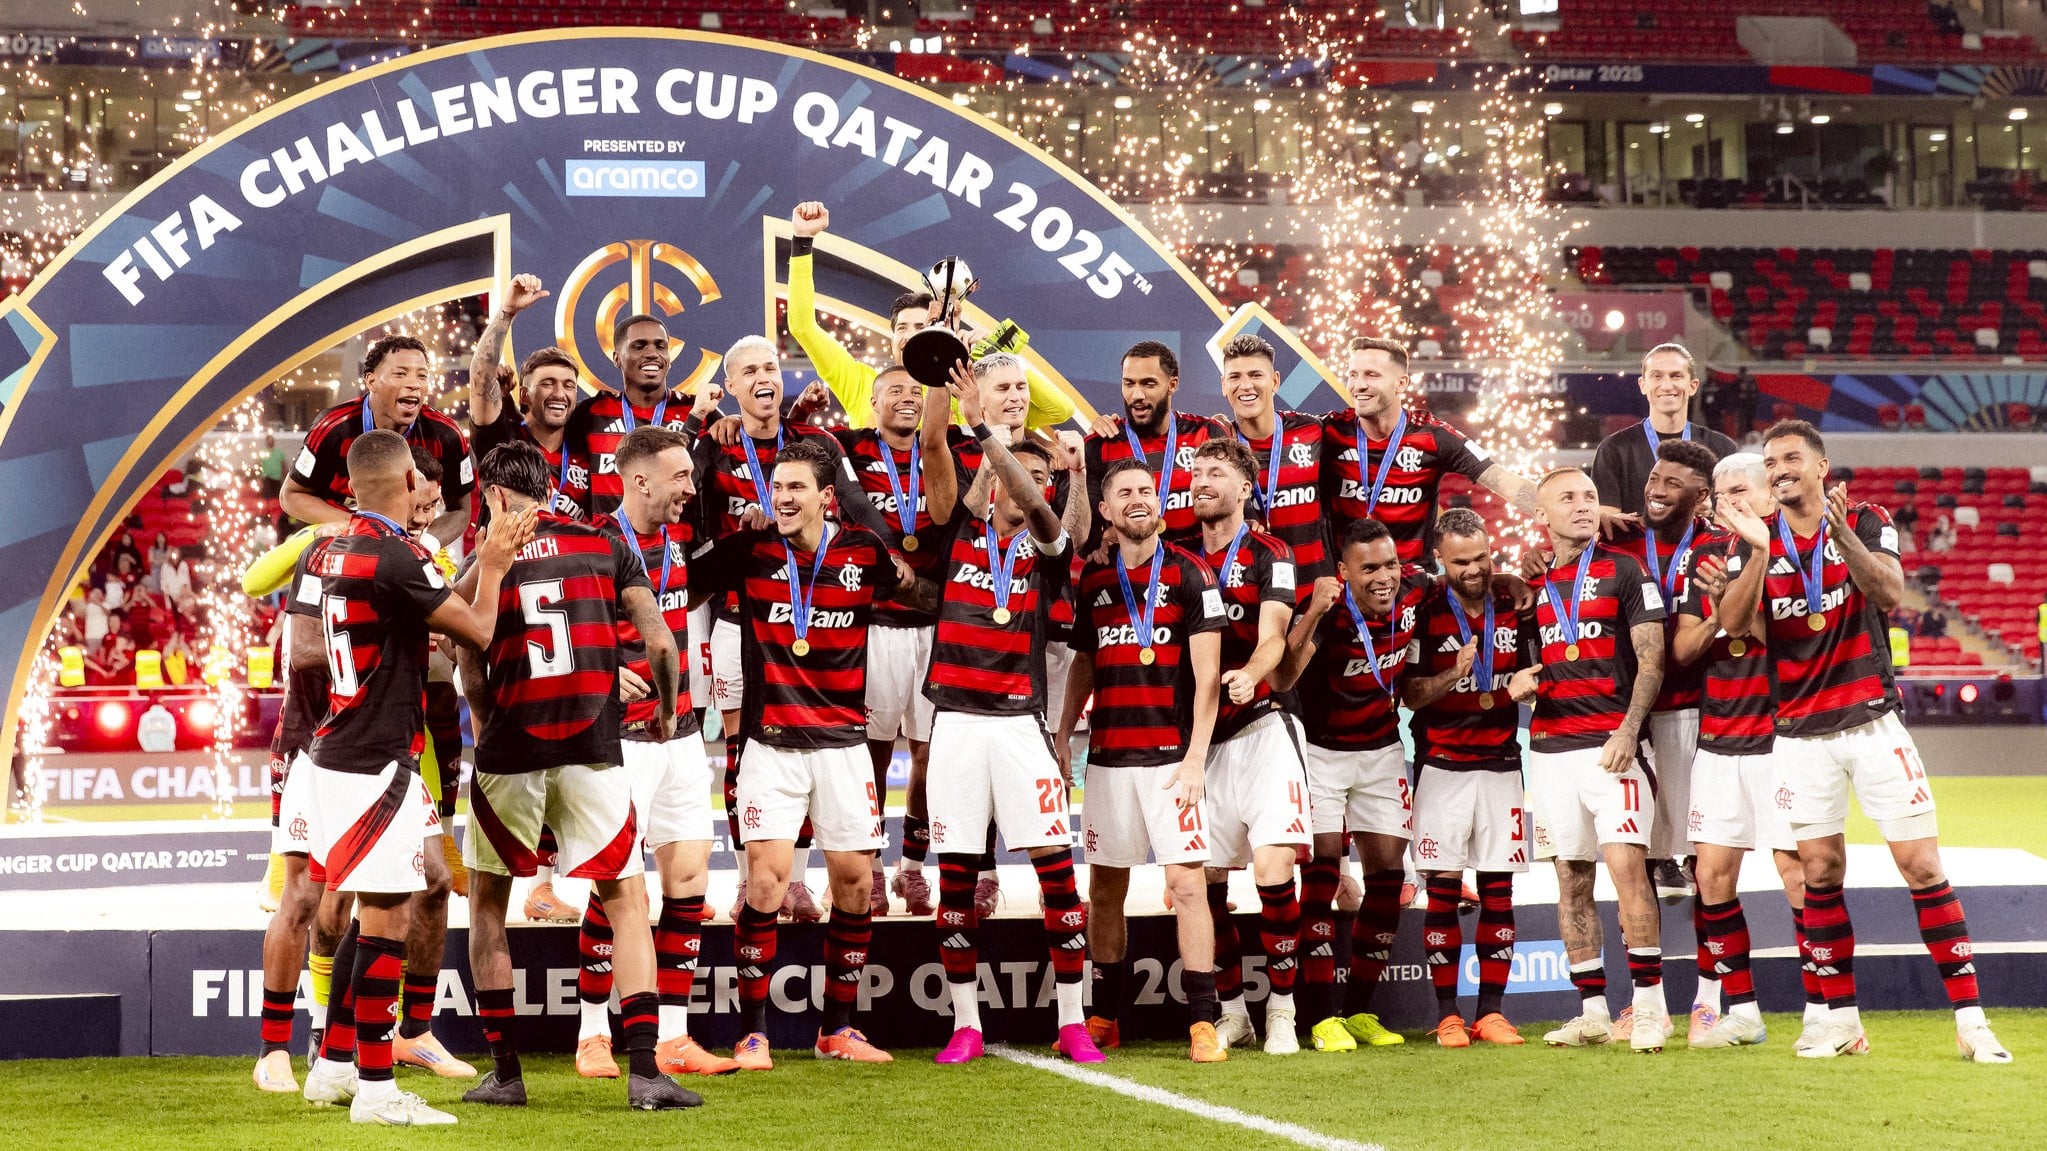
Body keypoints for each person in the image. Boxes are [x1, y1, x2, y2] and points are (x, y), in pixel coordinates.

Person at [1713, 421, 2010, 1062]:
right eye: (1770, 462)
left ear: (1822, 466)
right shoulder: (1753, 543)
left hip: (1873, 720)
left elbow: (1891, 593)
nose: (1779, 468)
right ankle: (1841, 1021)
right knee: (1819, 872)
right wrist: (1760, 551)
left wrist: (1841, 532)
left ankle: (1972, 1021)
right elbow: (1734, 627)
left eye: (1792, 458)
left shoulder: (1868, 519)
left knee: (1922, 866)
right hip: (1797, 732)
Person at [456, 441, 699, 1111]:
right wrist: (667, 708)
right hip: (595, 741)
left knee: (487, 904)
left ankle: (505, 1073)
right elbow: (657, 640)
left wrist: (484, 723)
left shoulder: (483, 560)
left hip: (510, 747)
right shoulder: (601, 543)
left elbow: (462, 648)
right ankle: (646, 1070)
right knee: (626, 900)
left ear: (497, 494)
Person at [296, 429, 529, 1126]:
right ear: (404, 481)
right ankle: (375, 1087)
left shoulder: (330, 546)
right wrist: (492, 564)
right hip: (376, 759)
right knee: (386, 920)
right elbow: (480, 630)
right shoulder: (396, 554)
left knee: (413, 888)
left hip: (344, 747)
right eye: (422, 483)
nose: (431, 491)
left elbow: (404, 611)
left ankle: (333, 1065)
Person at [689, 439, 904, 1067]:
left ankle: (838, 1028)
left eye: (795, 489)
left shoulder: (862, 552)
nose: (782, 499)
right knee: (764, 883)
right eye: (776, 488)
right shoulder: (751, 548)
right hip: (771, 744)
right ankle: (751, 1031)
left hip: (843, 744)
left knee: (855, 882)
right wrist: (728, 532)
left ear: (825, 497)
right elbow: (688, 574)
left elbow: (912, 588)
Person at [923, 369, 1097, 1065]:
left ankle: (1072, 1019)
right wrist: (970, 425)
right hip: (956, 726)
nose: (1027, 487)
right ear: (988, 483)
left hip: (1020, 723)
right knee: (957, 880)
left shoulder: (1046, 550)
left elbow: (1046, 505)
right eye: (1012, 475)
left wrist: (991, 435)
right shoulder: (957, 532)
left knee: (1058, 873)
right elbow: (940, 450)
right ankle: (964, 1022)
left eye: (1037, 480)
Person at [691, 335, 895, 923]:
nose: (764, 377)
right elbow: (693, 525)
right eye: (749, 369)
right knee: (745, 748)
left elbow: (858, 507)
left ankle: (800, 881)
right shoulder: (714, 447)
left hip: (810, 602)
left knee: (806, 748)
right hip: (738, 614)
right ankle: (747, 874)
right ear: (731, 385)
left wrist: (877, 553)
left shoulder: (819, 443)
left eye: (771, 367)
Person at [573, 425, 741, 1078]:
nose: (691, 487)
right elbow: (558, 627)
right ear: (638, 480)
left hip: (676, 736)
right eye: (680, 477)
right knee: (614, 889)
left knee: (689, 884)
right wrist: (605, 665)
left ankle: (672, 1032)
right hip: (616, 740)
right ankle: (592, 1032)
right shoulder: (595, 542)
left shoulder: (674, 540)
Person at [1058, 457, 1227, 1063]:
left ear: (1158, 503)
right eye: (1124, 491)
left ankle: (1202, 1022)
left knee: (1186, 885)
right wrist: (1061, 730)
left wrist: (1194, 760)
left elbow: (1207, 679)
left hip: (1168, 761)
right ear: (1104, 510)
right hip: (1105, 759)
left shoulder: (1191, 573)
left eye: (1146, 490)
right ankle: (1106, 1016)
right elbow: (1083, 660)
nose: (1137, 498)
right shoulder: (1096, 580)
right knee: (1105, 888)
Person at [1520, 467, 1673, 1054]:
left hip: (1613, 748)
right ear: (1542, 513)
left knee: (1626, 868)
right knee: (1571, 877)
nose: (1584, 506)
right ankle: (1590, 1012)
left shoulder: (1626, 571)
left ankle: (1652, 1009)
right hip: (1551, 750)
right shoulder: (1531, 585)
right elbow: (1526, 658)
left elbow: (1652, 661)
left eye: (1589, 496)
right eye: (1568, 498)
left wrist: (1629, 732)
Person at [1273, 518, 1435, 1053]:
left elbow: (1456, 582)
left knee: (1388, 880)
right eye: (1370, 569)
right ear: (1344, 572)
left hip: (1383, 749)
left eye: (1390, 564)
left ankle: (1361, 1011)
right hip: (1320, 753)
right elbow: (1285, 675)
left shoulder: (1414, 589)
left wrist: (1508, 581)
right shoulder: (1329, 614)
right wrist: (1315, 610)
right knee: (1320, 882)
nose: (1385, 577)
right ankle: (1320, 1018)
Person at [1670, 451, 1811, 1050]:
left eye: (1738, 492)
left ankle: (1826, 1008)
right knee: (1712, 877)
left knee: (1799, 876)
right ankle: (1744, 1011)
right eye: (1719, 494)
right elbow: (1683, 650)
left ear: (1768, 495)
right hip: (1719, 740)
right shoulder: (1702, 558)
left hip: (1780, 738)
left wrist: (1733, 601)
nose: (1725, 502)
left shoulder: (1796, 553)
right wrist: (1718, 618)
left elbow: (1763, 629)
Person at [1184, 438, 1308, 1055]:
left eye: (1216, 472)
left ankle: (1283, 1009)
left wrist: (1250, 675)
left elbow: (1275, 635)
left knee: (1272, 868)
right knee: (1206, 881)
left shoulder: (1271, 552)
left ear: (1246, 486)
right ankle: (1234, 1011)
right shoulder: (1175, 553)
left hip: (1262, 727)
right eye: (1196, 471)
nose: (1201, 480)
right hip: (1200, 740)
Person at [1400, 508, 1535, 1048]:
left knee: (1499, 890)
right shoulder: (1424, 608)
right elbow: (1409, 694)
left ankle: (1493, 1013)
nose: (1476, 569)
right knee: (1443, 890)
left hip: (1502, 762)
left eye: (1482, 557)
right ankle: (1448, 1014)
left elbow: (1533, 671)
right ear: (1440, 560)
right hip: (1442, 765)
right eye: (1462, 561)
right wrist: (1454, 675)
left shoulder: (1513, 602)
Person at [833, 365, 959, 916]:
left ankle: (913, 869)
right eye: (895, 393)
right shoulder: (849, 448)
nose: (907, 400)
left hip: (934, 626)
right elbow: (796, 445)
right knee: (875, 759)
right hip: (876, 626)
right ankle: (875, 871)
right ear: (873, 401)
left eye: (916, 393)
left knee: (931, 757)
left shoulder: (946, 450)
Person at [786, 201, 1076, 432]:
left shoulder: (965, 389)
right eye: (902, 327)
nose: (909, 334)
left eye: (919, 327)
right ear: (892, 338)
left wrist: (997, 361)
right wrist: (802, 240)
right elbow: (802, 326)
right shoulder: (860, 382)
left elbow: (1059, 411)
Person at [1602, 441, 1718, 901]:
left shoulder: (1721, 543)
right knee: (1636, 851)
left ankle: (1712, 964)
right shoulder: (1618, 536)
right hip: (1629, 712)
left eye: (1674, 483)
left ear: (1702, 494)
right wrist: (1533, 562)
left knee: (1705, 856)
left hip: (1694, 710)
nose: (1657, 489)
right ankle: (1647, 967)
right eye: (1654, 478)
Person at [1320, 337, 1535, 564]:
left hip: (1415, 586)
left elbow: (1502, 480)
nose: (1358, 385)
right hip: (1348, 585)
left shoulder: (1433, 436)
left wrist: (1563, 510)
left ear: (1401, 383)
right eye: (1353, 375)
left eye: (1371, 375)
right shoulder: (1330, 432)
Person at [281, 335, 474, 543]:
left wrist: (424, 546)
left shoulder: (447, 435)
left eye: (422, 376)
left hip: (414, 547)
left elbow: (460, 510)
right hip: (338, 541)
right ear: (371, 381)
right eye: (400, 374)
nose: (414, 384)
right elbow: (290, 496)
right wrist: (368, 529)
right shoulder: (333, 430)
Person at [469, 273, 593, 520]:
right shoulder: (504, 440)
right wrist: (506, 313)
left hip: (574, 558)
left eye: (569, 385)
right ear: (524, 395)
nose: (560, 393)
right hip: (512, 557)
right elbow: (481, 377)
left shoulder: (587, 448)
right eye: (548, 384)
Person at [1082, 341, 1228, 549]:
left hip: (1200, 573)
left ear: (1172, 385)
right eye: (1129, 384)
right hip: (1129, 576)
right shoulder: (1100, 444)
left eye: (1148, 384)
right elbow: (1091, 534)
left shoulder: (1207, 434)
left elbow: (1233, 509)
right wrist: (1099, 540)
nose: (1137, 395)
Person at [1217, 332, 1333, 583]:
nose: (1246, 385)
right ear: (1224, 385)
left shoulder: (1312, 430)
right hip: (1250, 596)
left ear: (1275, 381)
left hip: (1313, 592)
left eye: (1256, 375)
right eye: (1235, 377)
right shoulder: (1218, 447)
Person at [1589, 342, 1738, 527]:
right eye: (1656, 376)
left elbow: (1734, 522)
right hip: (1639, 555)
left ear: (1693, 386)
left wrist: (1709, 514)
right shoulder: (1614, 449)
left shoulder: (1722, 448)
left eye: (1676, 376)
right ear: (1643, 385)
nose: (1667, 386)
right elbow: (1607, 525)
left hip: (1702, 555)